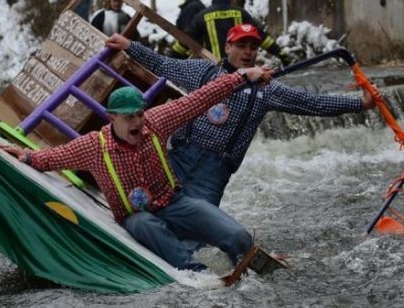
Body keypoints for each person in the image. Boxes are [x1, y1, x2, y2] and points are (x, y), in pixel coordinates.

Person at [1, 64, 272, 272]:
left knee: (237, 236)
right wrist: (25, 156)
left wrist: (242, 76)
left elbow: (199, 99)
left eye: (140, 114)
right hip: (136, 216)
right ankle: (199, 274)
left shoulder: (155, 122)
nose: (137, 123)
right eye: (129, 117)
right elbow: (52, 158)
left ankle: (251, 267)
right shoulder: (94, 146)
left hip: (175, 203)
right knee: (143, 223)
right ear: (112, 118)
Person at [106, 24, 378, 207]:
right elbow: (162, 64)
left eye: (253, 47)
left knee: (194, 228)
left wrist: (359, 104)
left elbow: (312, 103)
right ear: (227, 48)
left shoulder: (268, 89)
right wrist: (130, 45)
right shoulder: (202, 72)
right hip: (178, 159)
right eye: (241, 45)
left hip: (214, 172)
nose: (248, 52)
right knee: (148, 209)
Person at [170, 0, 289, 64]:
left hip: (214, 71)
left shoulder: (203, 16)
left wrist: (170, 60)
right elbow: (260, 36)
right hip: (240, 69)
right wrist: (280, 53)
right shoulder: (240, 13)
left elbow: (185, 40)